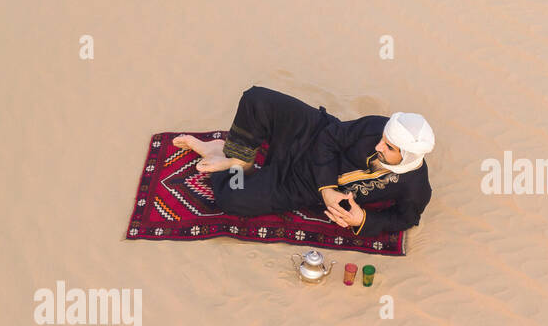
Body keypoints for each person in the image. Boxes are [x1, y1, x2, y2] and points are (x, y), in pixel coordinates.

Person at [174, 86, 435, 238]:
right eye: (383, 139)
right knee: (256, 99)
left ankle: (227, 159)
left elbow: (407, 217)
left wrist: (362, 220)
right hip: (311, 133)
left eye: (388, 148)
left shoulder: (415, 185)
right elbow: (330, 137)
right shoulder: (378, 126)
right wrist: (328, 190)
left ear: (407, 156)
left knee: (233, 198)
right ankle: (240, 159)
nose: (379, 145)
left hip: (300, 184)